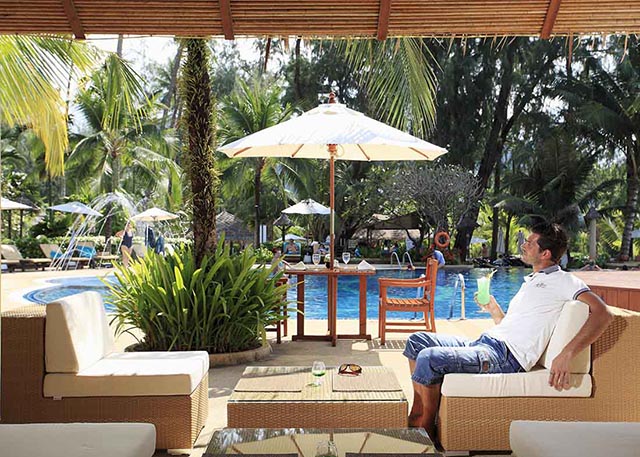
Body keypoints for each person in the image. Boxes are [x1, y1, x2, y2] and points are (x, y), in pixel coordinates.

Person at [403, 222, 613, 438]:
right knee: (417, 341)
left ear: (545, 253)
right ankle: (418, 415)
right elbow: (512, 328)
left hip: (505, 357)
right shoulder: (532, 280)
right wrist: (494, 310)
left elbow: (603, 313)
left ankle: (425, 430)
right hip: (487, 343)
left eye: (530, 243)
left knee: (429, 357)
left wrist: (567, 353)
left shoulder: (565, 281)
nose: (523, 245)